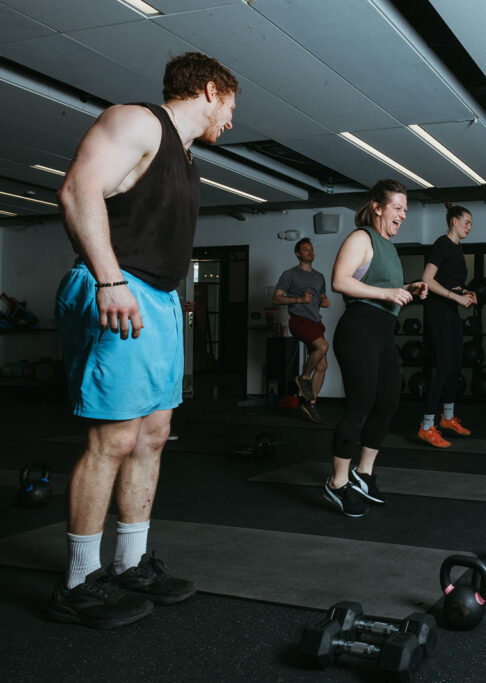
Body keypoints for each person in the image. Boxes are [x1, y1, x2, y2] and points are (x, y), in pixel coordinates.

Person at [52, 52, 238, 628]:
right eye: (230, 107)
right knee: (114, 438)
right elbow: (78, 193)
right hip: (116, 285)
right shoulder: (135, 121)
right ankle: (80, 581)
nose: (231, 121)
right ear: (210, 90)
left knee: (153, 435)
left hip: (156, 299)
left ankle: (130, 564)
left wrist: (164, 295)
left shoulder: (185, 158)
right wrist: (110, 280)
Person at [324, 179, 427, 517]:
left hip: (383, 332)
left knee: (388, 403)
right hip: (359, 331)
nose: (403, 215)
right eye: (397, 208)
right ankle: (337, 483)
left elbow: (384, 289)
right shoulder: (361, 237)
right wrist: (387, 293)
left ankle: (363, 474)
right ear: (378, 208)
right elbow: (340, 281)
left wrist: (407, 289)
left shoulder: (389, 247)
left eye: (406, 210)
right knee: (361, 405)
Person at [416, 202, 478, 448]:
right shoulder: (442, 244)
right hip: (438, 310)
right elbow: (427, 280)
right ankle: (426, 426)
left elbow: (449, 280)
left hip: (451, 310)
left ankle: (448, 418)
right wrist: (456, 297)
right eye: (467, 222)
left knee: (456, 364)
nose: (469, 228)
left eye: (471, 224)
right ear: (454, 221)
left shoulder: (457, 248)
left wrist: (466, 292)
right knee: (443, 366)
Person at [272, 238, 331, 423]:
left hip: (314, 322)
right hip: (299, 320)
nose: (310, 252)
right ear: (298, 254)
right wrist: (298, 300)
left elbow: (322, 297)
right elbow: (276, 299)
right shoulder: (290, 274)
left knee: (322, 366)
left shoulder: (319, 276)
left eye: (311, 249)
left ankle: (310, 404)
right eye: (306, 249)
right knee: (322, 347)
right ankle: (304, 377)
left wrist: (325, 301)